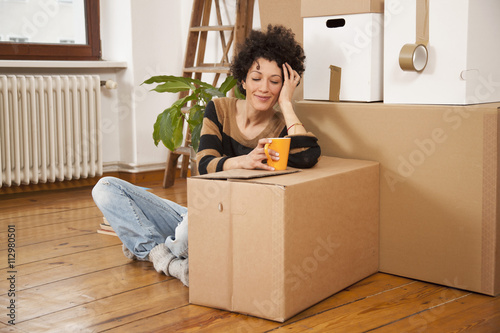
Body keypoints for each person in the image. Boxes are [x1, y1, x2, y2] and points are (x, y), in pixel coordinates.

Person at [91, 24, 321, 288]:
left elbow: (307, 156)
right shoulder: (219, 109)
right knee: (105, 188)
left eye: (275, 81)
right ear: (243, 80)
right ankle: (169, 262)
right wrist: (243, 162)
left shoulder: (281, 127)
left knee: (186, 234)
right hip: (198, 212)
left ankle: (145, 242)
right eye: (256, 78)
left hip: (234, 226)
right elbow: (203, 164)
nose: (264, 88)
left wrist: (287, 105)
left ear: (284, 86)